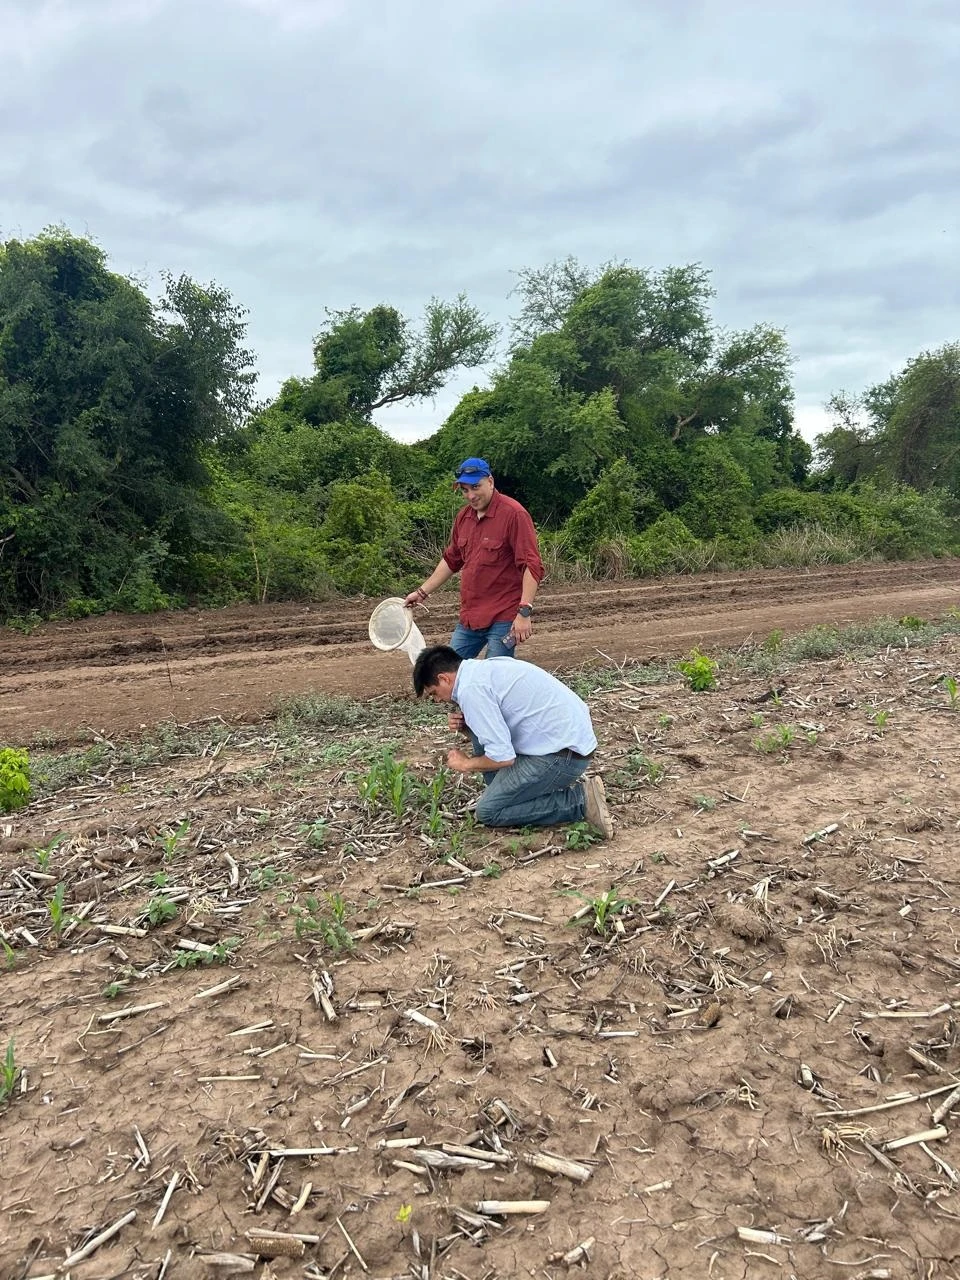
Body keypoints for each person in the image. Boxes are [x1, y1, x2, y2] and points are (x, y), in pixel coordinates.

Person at [412, 644, 614, 838]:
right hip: (571, 745)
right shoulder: (482, 670)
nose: (438, 700)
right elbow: (498, 736)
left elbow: (503, 758)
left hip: (563, 758)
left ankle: (581, 801)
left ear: (444, 678)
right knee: (485, 747)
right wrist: (468, 728)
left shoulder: (470, 690)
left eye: (434, 693)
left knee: (488, 812)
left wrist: (466, 764)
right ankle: (509, 794)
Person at [404, 458, 544, 659]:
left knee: (494, 676)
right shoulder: (464, 517)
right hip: (471, 617)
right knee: (449, 671)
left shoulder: (514, 514)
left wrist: (524, 613)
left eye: (475, 487)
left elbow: (531, 565)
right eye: (464, 489)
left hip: (504, 616)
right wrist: (421, 592)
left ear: (490, 481)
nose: (470, 495)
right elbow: (452, 560)